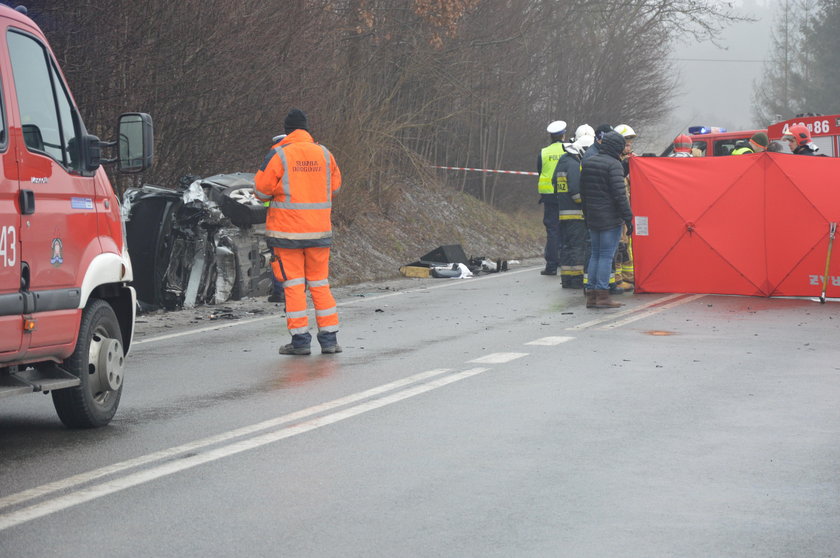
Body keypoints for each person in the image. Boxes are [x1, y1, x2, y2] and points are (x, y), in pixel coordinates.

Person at [255, 109, 343, 355]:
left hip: (287, 234)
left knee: (294, 286)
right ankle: (329, 341)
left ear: (286, 130)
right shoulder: (325, 154)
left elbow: (261, 191)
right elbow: (334, 187)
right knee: (320, 284)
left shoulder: (279, 154)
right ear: (306, 129)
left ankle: (300, 342)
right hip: (319, 232)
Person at [580, 130, 633, 308]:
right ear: (617, 147)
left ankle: (592, 296)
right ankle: (603, 296)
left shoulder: (588, 162)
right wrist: (628, 218)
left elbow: (584, 193)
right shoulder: (614, 165)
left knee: (595, 254)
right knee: (605, 255)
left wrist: (586, 215)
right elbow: (620, 195)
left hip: (593, 216)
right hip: (610, 218)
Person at [552, 134, 592, 288]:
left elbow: (554, 184)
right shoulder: (574, 165)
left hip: (563, 213)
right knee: (577, 247)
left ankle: (567, 278)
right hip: (576, 215)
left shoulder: (562, 162)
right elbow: (576, 193)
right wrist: (588, 202)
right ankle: (576, 279)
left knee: (567, 246)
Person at [536, 120, 567, 275]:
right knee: (567, 229)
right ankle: (566, 262)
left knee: (553, 230)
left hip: (548, 196)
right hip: (566, 195)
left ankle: (551, 266)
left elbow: (540, 170)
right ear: (564, 135)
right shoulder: (569, 150)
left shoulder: (543, 152)